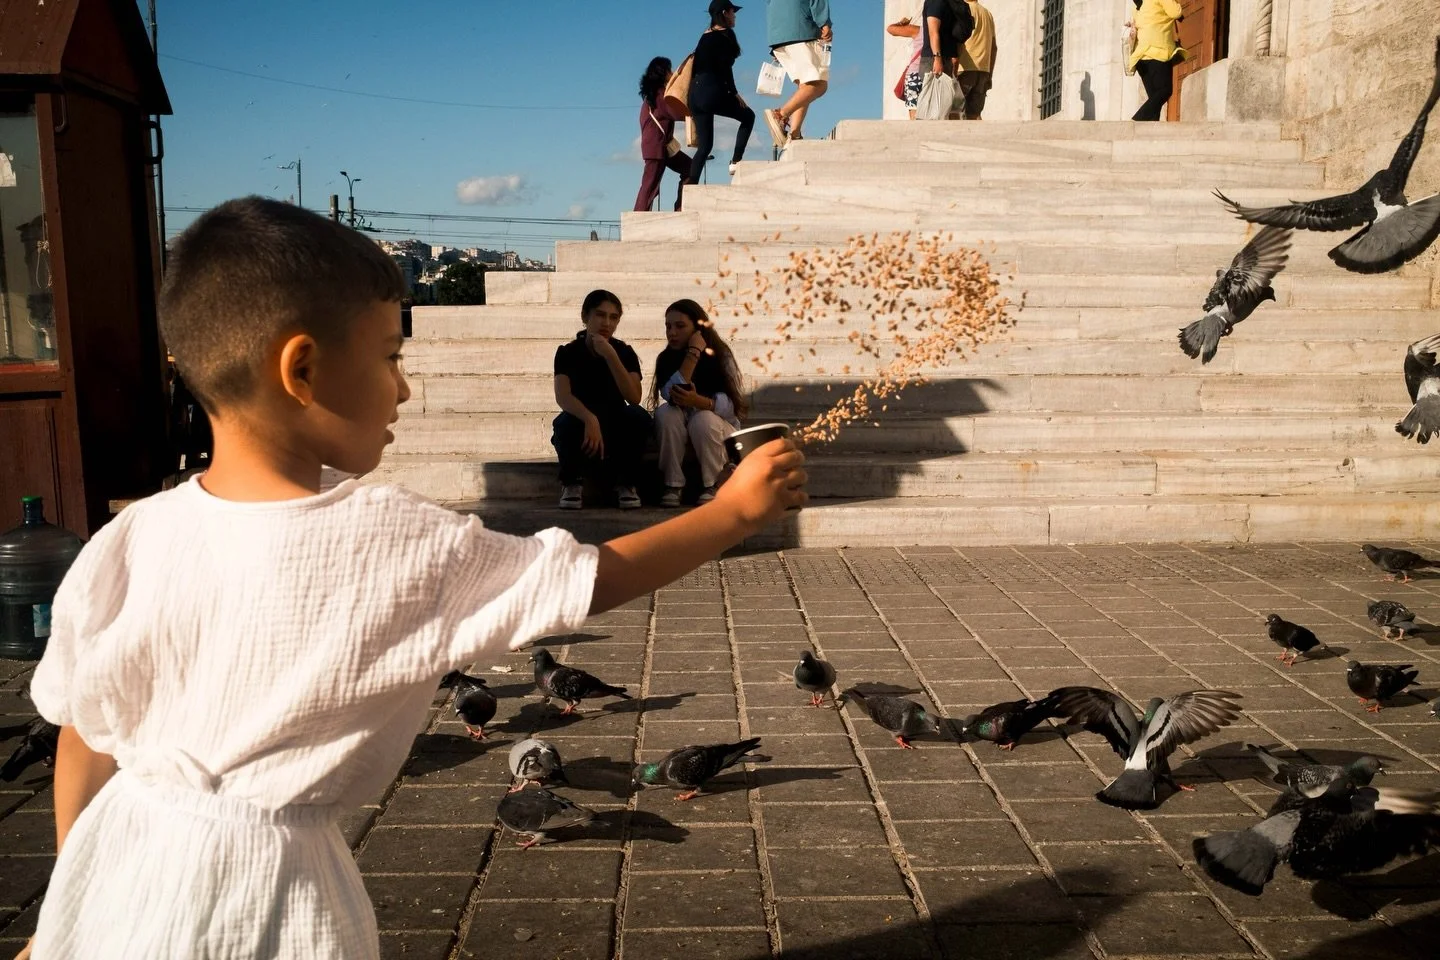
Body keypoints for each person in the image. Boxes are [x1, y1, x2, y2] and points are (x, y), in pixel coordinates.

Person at [16, 196, 806, 960]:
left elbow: (86, 733)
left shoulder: (129, 537)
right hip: (272, 900)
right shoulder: (391, 537)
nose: (402, 387)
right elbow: (588, 579)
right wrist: (731, 514)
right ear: (302, 368)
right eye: (391, 358)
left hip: (117, 867)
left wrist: (63, 917)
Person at [552, 289, 652, 509]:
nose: (606, 322)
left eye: (613, 317)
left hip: (615, 424)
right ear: (585, 317)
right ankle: (572, 483)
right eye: (600, 314)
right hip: (582, 425)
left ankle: (627, 484)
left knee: (638, 416)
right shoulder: (568, 352)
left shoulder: (624, 352)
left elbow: (634, 397)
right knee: (563, 422)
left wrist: (610, 355)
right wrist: (589, 418)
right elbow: (562, 396)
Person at [650, 299, 748, 507]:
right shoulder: (666, 358)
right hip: (682, 435)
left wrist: (700, 402)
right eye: (668, 326)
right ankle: (673, 484)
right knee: (665, 413)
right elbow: (671, 394)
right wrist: (693, 353)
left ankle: (713, 483)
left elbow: (735, 408)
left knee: (702, 419)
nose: (672, 332)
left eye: (680, 326)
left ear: (698, 328)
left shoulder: (721, 356)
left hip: (716, 432)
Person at [685, 1, 755, 187]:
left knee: (705, 146)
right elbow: (725, 70)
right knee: (748, 116)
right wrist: (734, 93)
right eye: (733, 12)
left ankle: (690, 187)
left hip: (695, 96)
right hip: (711, 91)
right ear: (724, 13)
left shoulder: (704, 37)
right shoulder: (725, 36)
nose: (735, 16)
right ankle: (736, 161)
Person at [763, 0, 832, 146]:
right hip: (801, 31)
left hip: (778, 36)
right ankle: (780, 115)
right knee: (819, 85)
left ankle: (794, 134)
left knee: (805, 85)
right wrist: (824, 23)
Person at [635, 57, 691, 212]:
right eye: (669, 70)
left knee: (690, 168)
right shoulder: (660, 95)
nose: (672, 73)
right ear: (663, 73)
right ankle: (638, 217)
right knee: (649, 186)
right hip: (657, 148)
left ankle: (681, 208)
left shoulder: (652, 96)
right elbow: (676, 112)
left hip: (661, 147)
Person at [1129, 0, 1188, 121]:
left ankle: (1148, 135)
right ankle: (1136, 120)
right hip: (1157, 51)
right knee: (1165, 90)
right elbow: (1175, 12)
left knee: (1154, 101)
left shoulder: (1139, 4)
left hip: (1141, 57)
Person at [955, 0, 996, 120]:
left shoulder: (963, 10)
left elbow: (957, 40)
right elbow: (994, 48)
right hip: (983, 71)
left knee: (954, 111)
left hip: (964, 69)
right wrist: (989, 74)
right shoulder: (987, 14)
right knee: (974, 114)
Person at [886, 7, 925, 120]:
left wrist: (901, 23)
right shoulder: (942, 34)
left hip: (914, 76)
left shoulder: (918, 30)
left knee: (914, 115)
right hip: (932, 75)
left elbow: (890, 29)